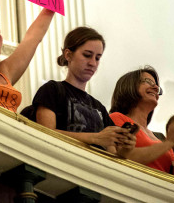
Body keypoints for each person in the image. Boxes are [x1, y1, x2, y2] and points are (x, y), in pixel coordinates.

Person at [30, 27, 136, 157]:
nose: (93, 63)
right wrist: (95, 138)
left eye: (97, 58)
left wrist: (125, 149)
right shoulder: (52, 90)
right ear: (68, 55)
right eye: (87, 55)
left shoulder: (99, 108)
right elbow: (46, 133)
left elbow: (113, 154)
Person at [109, 67, 174, 176]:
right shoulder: (117, 118)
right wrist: (170, 142)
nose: (155, 88)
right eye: (148, 82)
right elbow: (122, 158)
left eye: (157, 86)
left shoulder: (160, 137)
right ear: (130, 86)